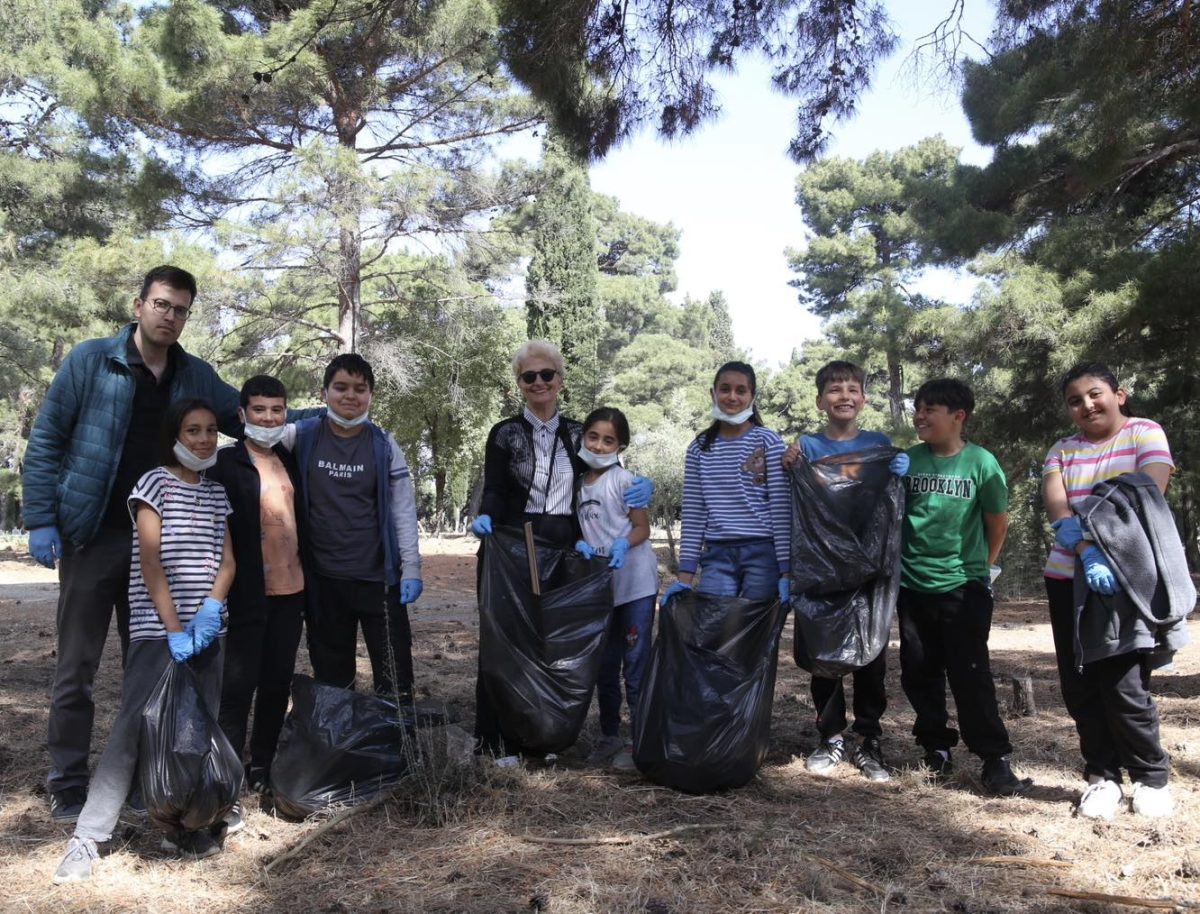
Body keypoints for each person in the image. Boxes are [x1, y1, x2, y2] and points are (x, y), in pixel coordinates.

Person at [22, 265, 241, 822]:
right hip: (95, 535)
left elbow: (247, 411)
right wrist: (42, 517)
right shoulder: (92, 360)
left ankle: (153, 782)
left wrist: (316, 422)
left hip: (164, 550)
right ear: (139, 304)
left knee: (152, 666)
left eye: (182, 309)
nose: (171, 316)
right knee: (77, 667)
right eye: (163, 304)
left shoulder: (195, 375)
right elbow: (48, 438)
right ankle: (68, 783)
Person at [52, 399, 235, 883]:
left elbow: (228, 561)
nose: (202, 439)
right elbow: (151, 563)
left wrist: (211, 611)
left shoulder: (218, 495)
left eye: (211, 430)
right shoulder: (152, 484)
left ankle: (184, 828)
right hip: (160, 633)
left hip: (210, 633)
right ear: (175, 435)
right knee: (133, 730)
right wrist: (175, 629)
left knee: (196, 733)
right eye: (192, 430)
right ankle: (89, 838)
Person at [469, 340, 651, 760]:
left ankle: (542, 736)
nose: (538, 382)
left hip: (566, 545)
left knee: (551, 643)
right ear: (519, 383)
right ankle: (496, 742)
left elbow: (606, 474)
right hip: (512, 542)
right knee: (504, 641)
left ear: (560, 380)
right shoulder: (504, 433)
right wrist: (486, 517)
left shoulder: (576, 433)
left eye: (546, 374)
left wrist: (640, 487)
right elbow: (495, 489)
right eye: (528, 376)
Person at [1042, 362, 1181, 819]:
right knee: (1079, 684)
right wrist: (1083, 547)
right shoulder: (1061, 451)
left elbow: (1148, 495)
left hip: (1124, 577)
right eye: (1075, 400)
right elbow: (1058, 506)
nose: (1086, 405)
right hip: (1068, 576)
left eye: (1095, 394)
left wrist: (1098, 546)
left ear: (1119, 395)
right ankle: (1101, 777)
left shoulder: (1144, 433)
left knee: (1123, 683)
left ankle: (1150, 777)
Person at [896, 378, 1030, 796]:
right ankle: (936, 748)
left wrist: (980, 570)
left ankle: (994, 758)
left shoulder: (981, 464)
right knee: (920, 673)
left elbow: (997, 522)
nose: (920, 415)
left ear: (958, 416)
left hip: (963, 587)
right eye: (918, 407)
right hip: (912, 587)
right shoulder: (908, 461)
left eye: (930, 408)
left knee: (970, 674)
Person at [781, 360, 908, 783]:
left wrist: (898, 470)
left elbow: (884, 505)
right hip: (821, 568)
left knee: (871, 658)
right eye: (834, 390)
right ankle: (830, 736)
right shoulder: (808, 448)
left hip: (869, 566)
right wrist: (788, 463)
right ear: (820, 401)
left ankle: (869, 740)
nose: (844, 396)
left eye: (852, 389)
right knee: (824, 656)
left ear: (864, 399)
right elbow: (796, 504)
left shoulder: (879, 443)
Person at [291, 354, 422, 699]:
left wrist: (411, 569)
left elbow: (403, 512)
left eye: (360, 389)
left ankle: (397, 748)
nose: (351, 396)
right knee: (334, 684)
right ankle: (341, 750)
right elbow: (257, 432)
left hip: (379, 582)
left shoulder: (384, 445)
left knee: (395, 680)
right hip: (323, 582)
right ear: (323, 393)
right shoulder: (301, 437)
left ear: (371, 395)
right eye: (341, 387)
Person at [209, 376, 306, 797]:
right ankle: (227, 769)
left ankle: (261, 763)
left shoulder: (291, 459)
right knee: (237, 687)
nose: (268, 417)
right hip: (246, 592)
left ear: (285, 414)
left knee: (276, 683)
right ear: (242, 415)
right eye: (260, 410)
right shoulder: (225, 463)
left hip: (292, 591)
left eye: (276, 410)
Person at [661, 361, 790, 607]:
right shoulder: (699, 448)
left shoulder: (768, 442)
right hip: (717, 556)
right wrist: (685, 577)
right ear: (713, 393)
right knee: (715, 630)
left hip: (763, 554)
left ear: (753, 396)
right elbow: (694, 513)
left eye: (741, 390)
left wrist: (786, 571)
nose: (732, 396)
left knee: (755, 633)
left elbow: (781, 509)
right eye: (725, 389)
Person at [574, 407, 659, 772]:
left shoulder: (626, 482)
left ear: (620, 445)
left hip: (636, 586)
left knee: (635, 665)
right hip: (601, 590)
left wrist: (626, 543)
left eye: (609, 440)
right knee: (604, 667)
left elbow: (643, 528)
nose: (599, 445)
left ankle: (640, 739)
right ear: (583, 437)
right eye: (593, 436)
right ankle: (609, 735)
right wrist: (581, 545)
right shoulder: (578, 485)